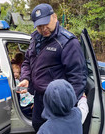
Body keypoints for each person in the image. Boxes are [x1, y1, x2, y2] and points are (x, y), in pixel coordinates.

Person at [18, 3, 87, 132]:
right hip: (39, 98)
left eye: (46, 23)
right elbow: (27, 61)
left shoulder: (68, 42)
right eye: (39, 26)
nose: (43, 28)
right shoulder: (35, 38)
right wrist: (26, 78)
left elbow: (78, 78)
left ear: (54, 17)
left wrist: (66, 107)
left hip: (58, 102)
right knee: (38, 126)